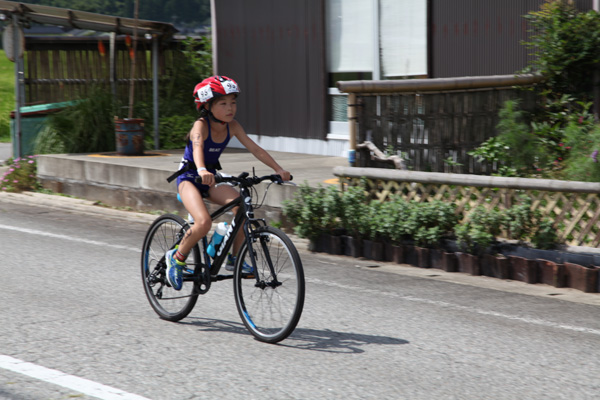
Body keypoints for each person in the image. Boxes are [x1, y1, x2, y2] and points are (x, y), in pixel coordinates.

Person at [165, 75, 291, 291]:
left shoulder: (232, 126)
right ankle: (176, 259)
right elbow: (197, 147)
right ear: (207, 106)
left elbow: (255, 149)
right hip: (189, 179)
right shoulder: (200, 125)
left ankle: (235, 258)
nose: (230, 108)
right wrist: (202, 169)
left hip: (210, 178)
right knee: (203, 223)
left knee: (242, 206)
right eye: (223, 103)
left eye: (233, 102)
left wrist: (278, 169)